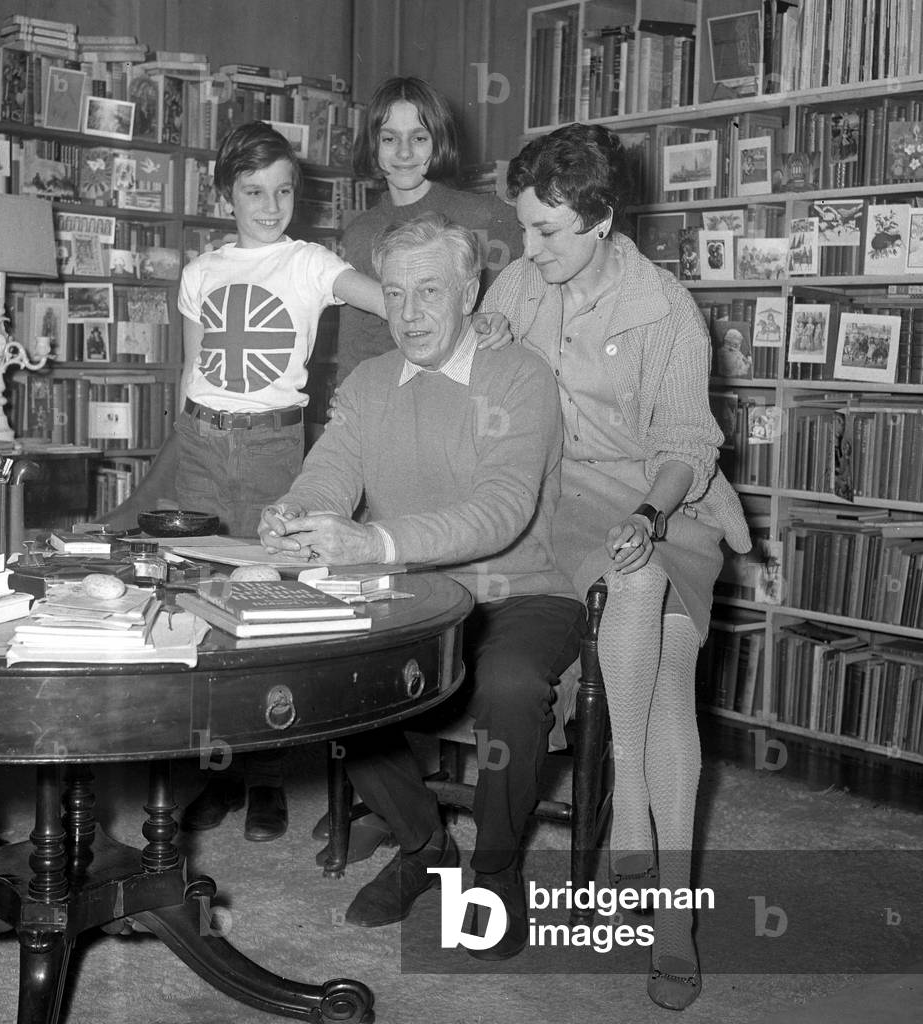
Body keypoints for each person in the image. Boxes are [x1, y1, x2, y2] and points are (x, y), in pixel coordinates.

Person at [259, 213, 584, 961]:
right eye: (396, 293)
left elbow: (500, 511)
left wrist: (374, 541)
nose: (408, 313)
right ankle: (425, 847)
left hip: (522, 589)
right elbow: (331, 471)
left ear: (470, 291)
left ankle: (496, 871)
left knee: (507, 687)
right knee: (332, 673)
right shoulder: (370, 381)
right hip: (410, 591)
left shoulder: (520, 376)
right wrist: (296, 514)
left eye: (430, 291)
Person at [171, 123, 508, 843]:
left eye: (284, 190)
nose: (270, 205)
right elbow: (192, 371)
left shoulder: (309, 262)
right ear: (224, 192)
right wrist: (179, 443)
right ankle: (208, 770)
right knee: (195, 603)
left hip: (270, 448)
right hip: (199, 443)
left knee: (262, 610)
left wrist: (481, 316)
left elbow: (400, 300)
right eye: (254, 191)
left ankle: (264, 776)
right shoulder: (199, 272)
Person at [482, 123, 751, 1009]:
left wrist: (647, 511)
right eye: (523, 227)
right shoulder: (522, 284)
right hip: (562, 500)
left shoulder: (665, 308)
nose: (528, 248)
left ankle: (654, 882)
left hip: (664, 499)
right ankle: (656, 883)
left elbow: (683, 442)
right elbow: (477, 374)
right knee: (643, 610)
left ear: (599, 219)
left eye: (547, 231)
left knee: (657, 627)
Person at [334, 76, 523, 384]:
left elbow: (527, 306)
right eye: (389, 139)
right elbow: (355, 343)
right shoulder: (359, 233)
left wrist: (504, 323)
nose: (404, 153)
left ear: (439, 142)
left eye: (419, 138)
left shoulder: (488, 216)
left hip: (469, 396)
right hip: (385, 403)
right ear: (373, 145)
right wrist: (343, 400)